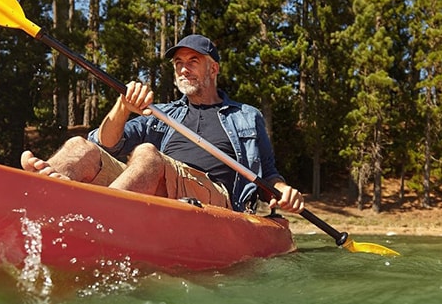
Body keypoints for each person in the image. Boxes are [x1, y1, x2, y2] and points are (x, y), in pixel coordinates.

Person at [20, 34, 304, 214]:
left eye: (193, 60)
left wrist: (285, 191)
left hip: (216, 198)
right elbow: (106, 144)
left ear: (214, 69)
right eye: (178, 63)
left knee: (147, 155)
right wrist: (123, 107)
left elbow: (267, 174)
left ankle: (92, 217)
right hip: (156, 187)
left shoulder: (246, 115)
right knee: (79, 146)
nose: (183, 68)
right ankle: (32, 204)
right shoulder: (162, 113)